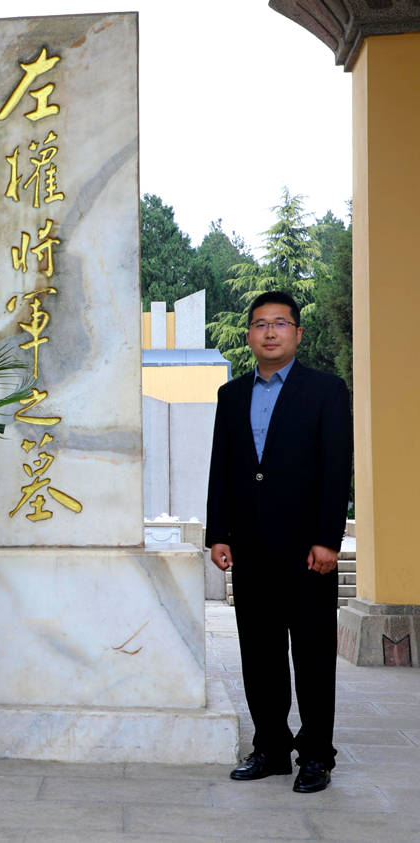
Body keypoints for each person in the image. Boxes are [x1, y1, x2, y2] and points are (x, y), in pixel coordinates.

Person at [206, 290, 352, 794]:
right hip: (250, 548)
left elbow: (337, 470)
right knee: (260, 653)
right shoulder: (231, 395)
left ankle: (316, 755)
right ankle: (270, 747)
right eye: (261, 324)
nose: (270, 332)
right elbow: (221, 469)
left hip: (307, 551)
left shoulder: (327, 391)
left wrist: (328, 540)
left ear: (297, 333)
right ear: (249, 336)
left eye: (280, 324)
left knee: (312, 655)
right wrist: (217, 533)